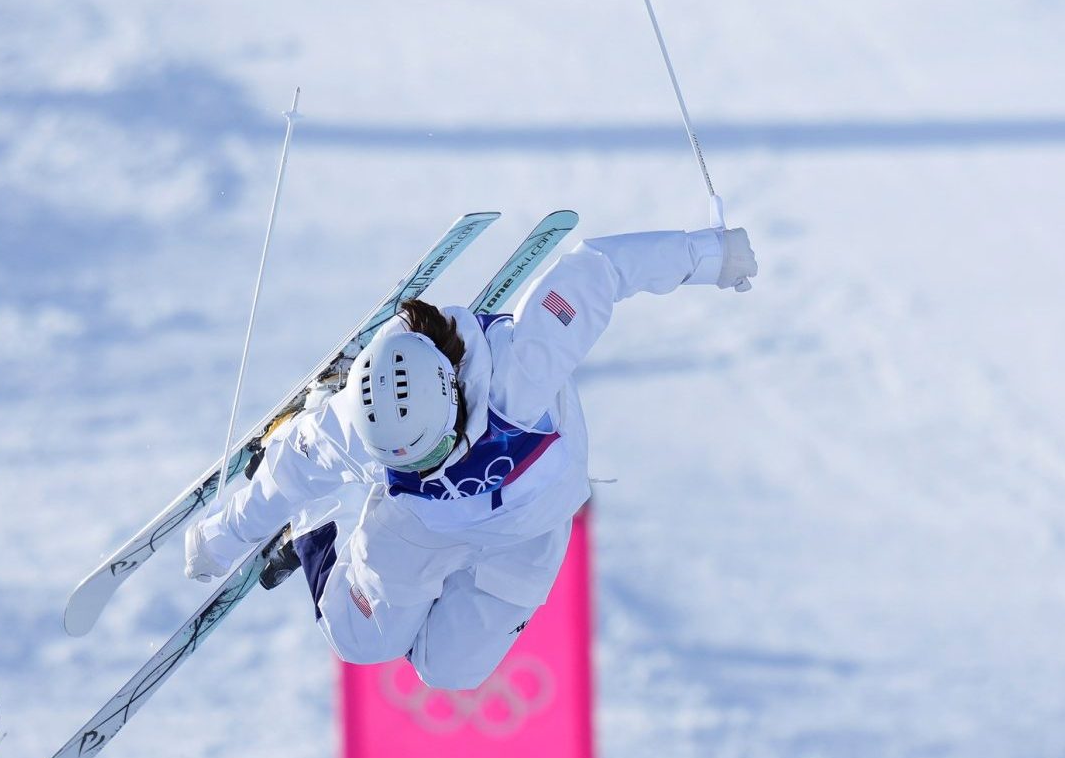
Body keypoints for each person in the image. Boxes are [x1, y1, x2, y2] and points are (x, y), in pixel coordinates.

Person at [183, 222, 758, 690]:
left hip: (532, 527)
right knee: (359, 641)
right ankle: (320, 523)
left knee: (451, 672)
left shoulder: (521, 372)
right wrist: (217, 540)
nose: (421, 468)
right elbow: (283, 476)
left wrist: (711, 254)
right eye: (403, 464)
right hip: (419, 524)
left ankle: (409, 584)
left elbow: (599, 270)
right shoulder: (351, 428)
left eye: (430, 453)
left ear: (453, 398)